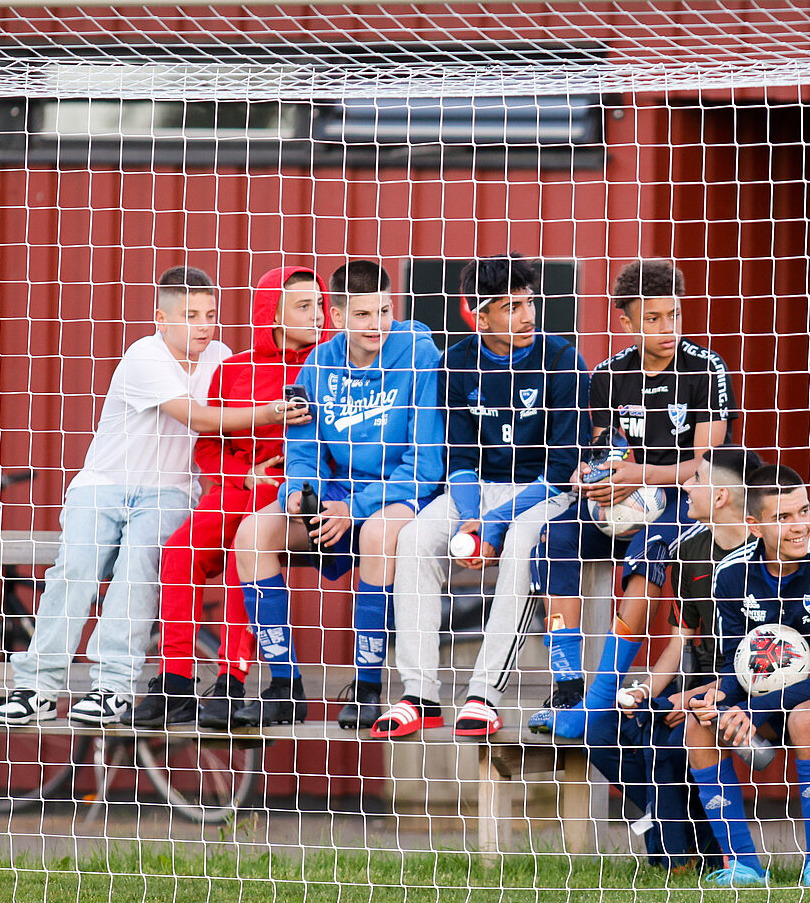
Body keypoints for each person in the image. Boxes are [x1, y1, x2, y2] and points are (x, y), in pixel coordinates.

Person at [0, 267, 289, 726]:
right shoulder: (143, 356)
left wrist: (244, 471)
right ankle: (38, 689)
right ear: (161, 319)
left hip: (169, 491)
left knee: (137, 574)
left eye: (210, 314)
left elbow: (227, 438)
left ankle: (113, 689)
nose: (204, 325)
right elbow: (202, 420)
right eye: (190, 315)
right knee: (74, 571)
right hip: (104, 483)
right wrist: (272, 410)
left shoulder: (224, 359)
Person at [378, 254, 587, 739]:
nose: (528, 315)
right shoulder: (455, 362)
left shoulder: (561, 360)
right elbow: (460, 456)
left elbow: (561, 469)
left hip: (545, 491)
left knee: (519, 548)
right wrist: (474, 517)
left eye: (529, 302)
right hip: (477, 489)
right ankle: (419, 694)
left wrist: (493, 526)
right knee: (413, 541)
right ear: (479, 313)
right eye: (511, 306)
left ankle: (483, 695)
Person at [230, 259, 444, 731]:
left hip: (395, 498)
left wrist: (357, 508)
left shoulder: (419, 356)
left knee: (378, 535)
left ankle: (368, 687)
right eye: (364, 315)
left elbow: (426, 466)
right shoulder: (318, 362)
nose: (377, 325)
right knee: (251, 534)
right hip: (333, 500)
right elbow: (304, 450)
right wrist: (300, 493)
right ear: (339, 317)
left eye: (385, 311)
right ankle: (284, 687)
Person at [527, 258, 735, 740]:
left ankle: (602, 697)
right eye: (653, 319)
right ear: (626, 322)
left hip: (687, 498)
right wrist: (591, 476)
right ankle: (568, 683)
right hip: (624, 495)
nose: (668, 328)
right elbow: (605, 450)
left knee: (649, 550)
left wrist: (641, 473)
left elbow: (710, 463)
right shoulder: (608, 375)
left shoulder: (706, 369)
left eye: (675, 316)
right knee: (556, 535)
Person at [134, 265, 330, 730]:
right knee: (179, 552)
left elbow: (334, 440)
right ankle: (175, 683)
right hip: (235, 487)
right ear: (273, 314)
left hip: (289, 495)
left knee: (247, 545)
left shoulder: (332, 363)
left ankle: (230, 679)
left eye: (320, 304)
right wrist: (244, 476)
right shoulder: (234, 368)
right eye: (304, 306)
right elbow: (207, 441)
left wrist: (280, 479)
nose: (317, 315)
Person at [687, 464, 810, 888]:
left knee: (803, 717)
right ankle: (744, 865)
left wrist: (753, 708)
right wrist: (722, 702)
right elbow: (734, 663)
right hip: (759, 697)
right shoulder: (731, 573)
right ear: (753, 525)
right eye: (783, 517)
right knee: (700, 728)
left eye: (804, 511)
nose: (799, 526)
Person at [606, 444, 761, 868]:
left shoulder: (767, 553)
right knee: (605, 727)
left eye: (696, 479)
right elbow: (679, 642)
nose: (686, 486)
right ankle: (684, 849)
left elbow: (771, 660)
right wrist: (644, 690)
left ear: (722, 496)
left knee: (671, 742)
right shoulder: (690, 547)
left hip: (756, 690)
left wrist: (695, 697)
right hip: (697, 690)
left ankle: (692, 855)